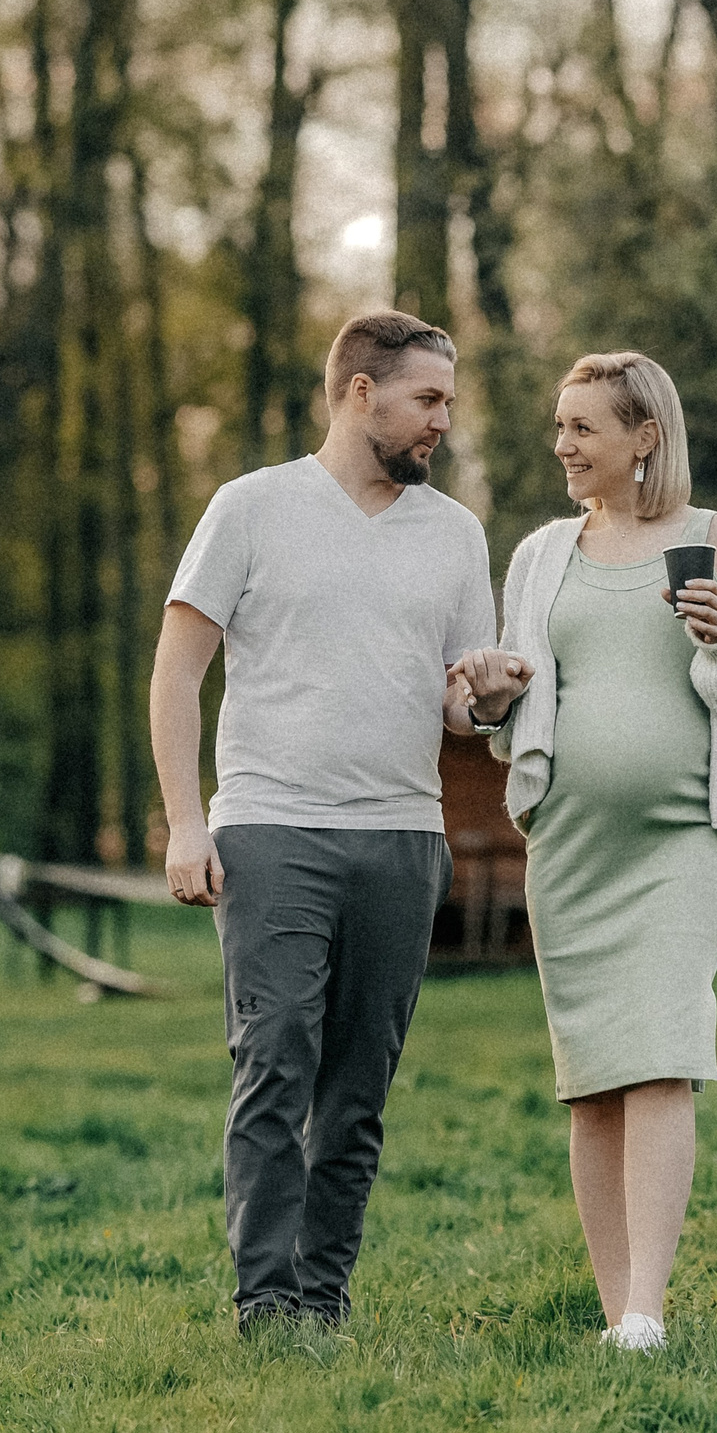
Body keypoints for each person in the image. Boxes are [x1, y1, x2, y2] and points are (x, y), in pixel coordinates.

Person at [149, 310, 514, 1337]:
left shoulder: (454, 531)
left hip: (404, 837)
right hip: (273, 828)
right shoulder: (251, 507)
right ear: (362, 392)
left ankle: (325, 1293)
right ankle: (266, 1299)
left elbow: (458, 702)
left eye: (447, 399)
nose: (443, 419)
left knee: (358, 1089)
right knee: (275, 1064)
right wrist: (187, 822)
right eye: (427, 398)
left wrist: (487, 695)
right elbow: (178, 668)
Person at [458, 351, 717, 1353]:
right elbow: (511, 711)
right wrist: (489, 697)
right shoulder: (540, 556)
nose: (561, 445)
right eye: (559, 427)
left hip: (686, 839)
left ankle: (649, 1308)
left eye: (581, 428)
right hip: (570, 844)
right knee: (594, 1074)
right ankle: (619, 1315)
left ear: (643, 435)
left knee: (658, 1050)